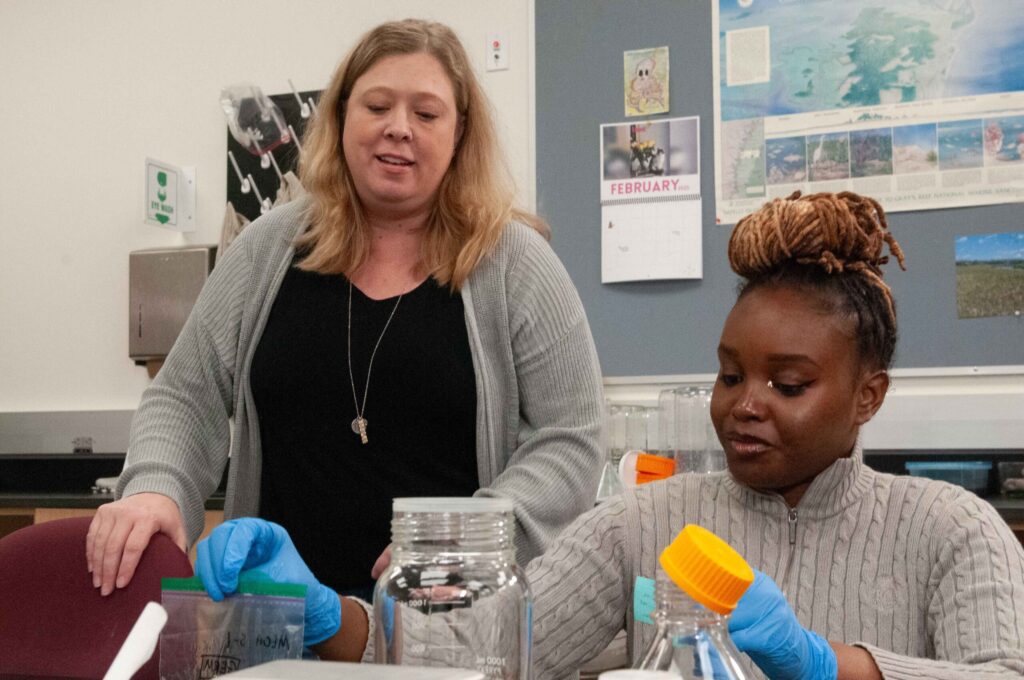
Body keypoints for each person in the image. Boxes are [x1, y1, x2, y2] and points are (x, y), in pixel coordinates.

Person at [195, 191, 1024, 676]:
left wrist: (826, 663)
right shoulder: (647, 523)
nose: (746, 403)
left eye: (790, 383)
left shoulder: (950, 530)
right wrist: (323, 617)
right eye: (731, 374)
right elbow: (484, 655)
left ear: (867, 396)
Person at [86, 18, 604, 614]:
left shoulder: (516, 264)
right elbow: (185, 396)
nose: (398, 128)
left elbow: (572, 439)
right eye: (377, 105)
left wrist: (472, 535)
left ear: (460, 136)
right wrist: (155, 488)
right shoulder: (264, 252)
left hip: (447, 624)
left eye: (427, 113)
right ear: (340, 120)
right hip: (273, 619)